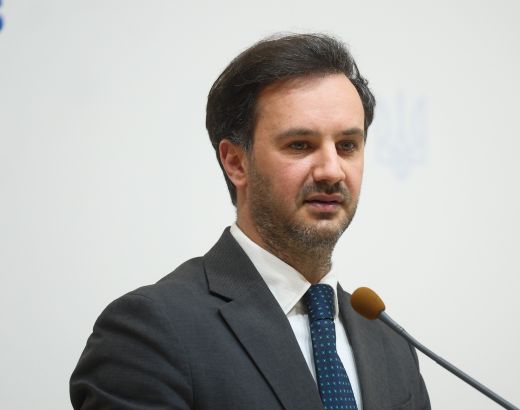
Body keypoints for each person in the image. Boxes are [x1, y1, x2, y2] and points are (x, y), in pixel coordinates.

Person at [70, 33, 430, 410]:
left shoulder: (391, 344)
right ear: (235, 162)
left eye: (347, 146)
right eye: (300, 145)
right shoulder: (151, 331)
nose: (331, 170)